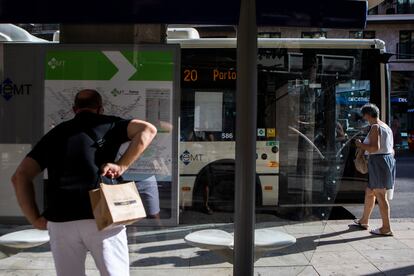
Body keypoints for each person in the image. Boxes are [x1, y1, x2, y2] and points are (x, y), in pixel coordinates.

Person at [11, 89, 157, 276]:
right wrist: (121, 166)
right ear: (100, 108)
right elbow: (148, 129)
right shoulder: (110, 124)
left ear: (74, 109)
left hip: (61, 219)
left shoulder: (55, 134)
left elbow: (20, 177)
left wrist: (35, 219)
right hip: (102, 215)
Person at [353, 103, 396, 236]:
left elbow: (374, 148)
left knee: (380, 195)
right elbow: (391, 149)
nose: (363, 118)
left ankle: (386, 228)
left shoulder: (375, 127)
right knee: (370, 192)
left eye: (364, 115)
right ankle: (364, 220)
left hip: (378, 162)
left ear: (367, 115)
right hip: (386, 161)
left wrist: (360, 145)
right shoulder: (386, 126)